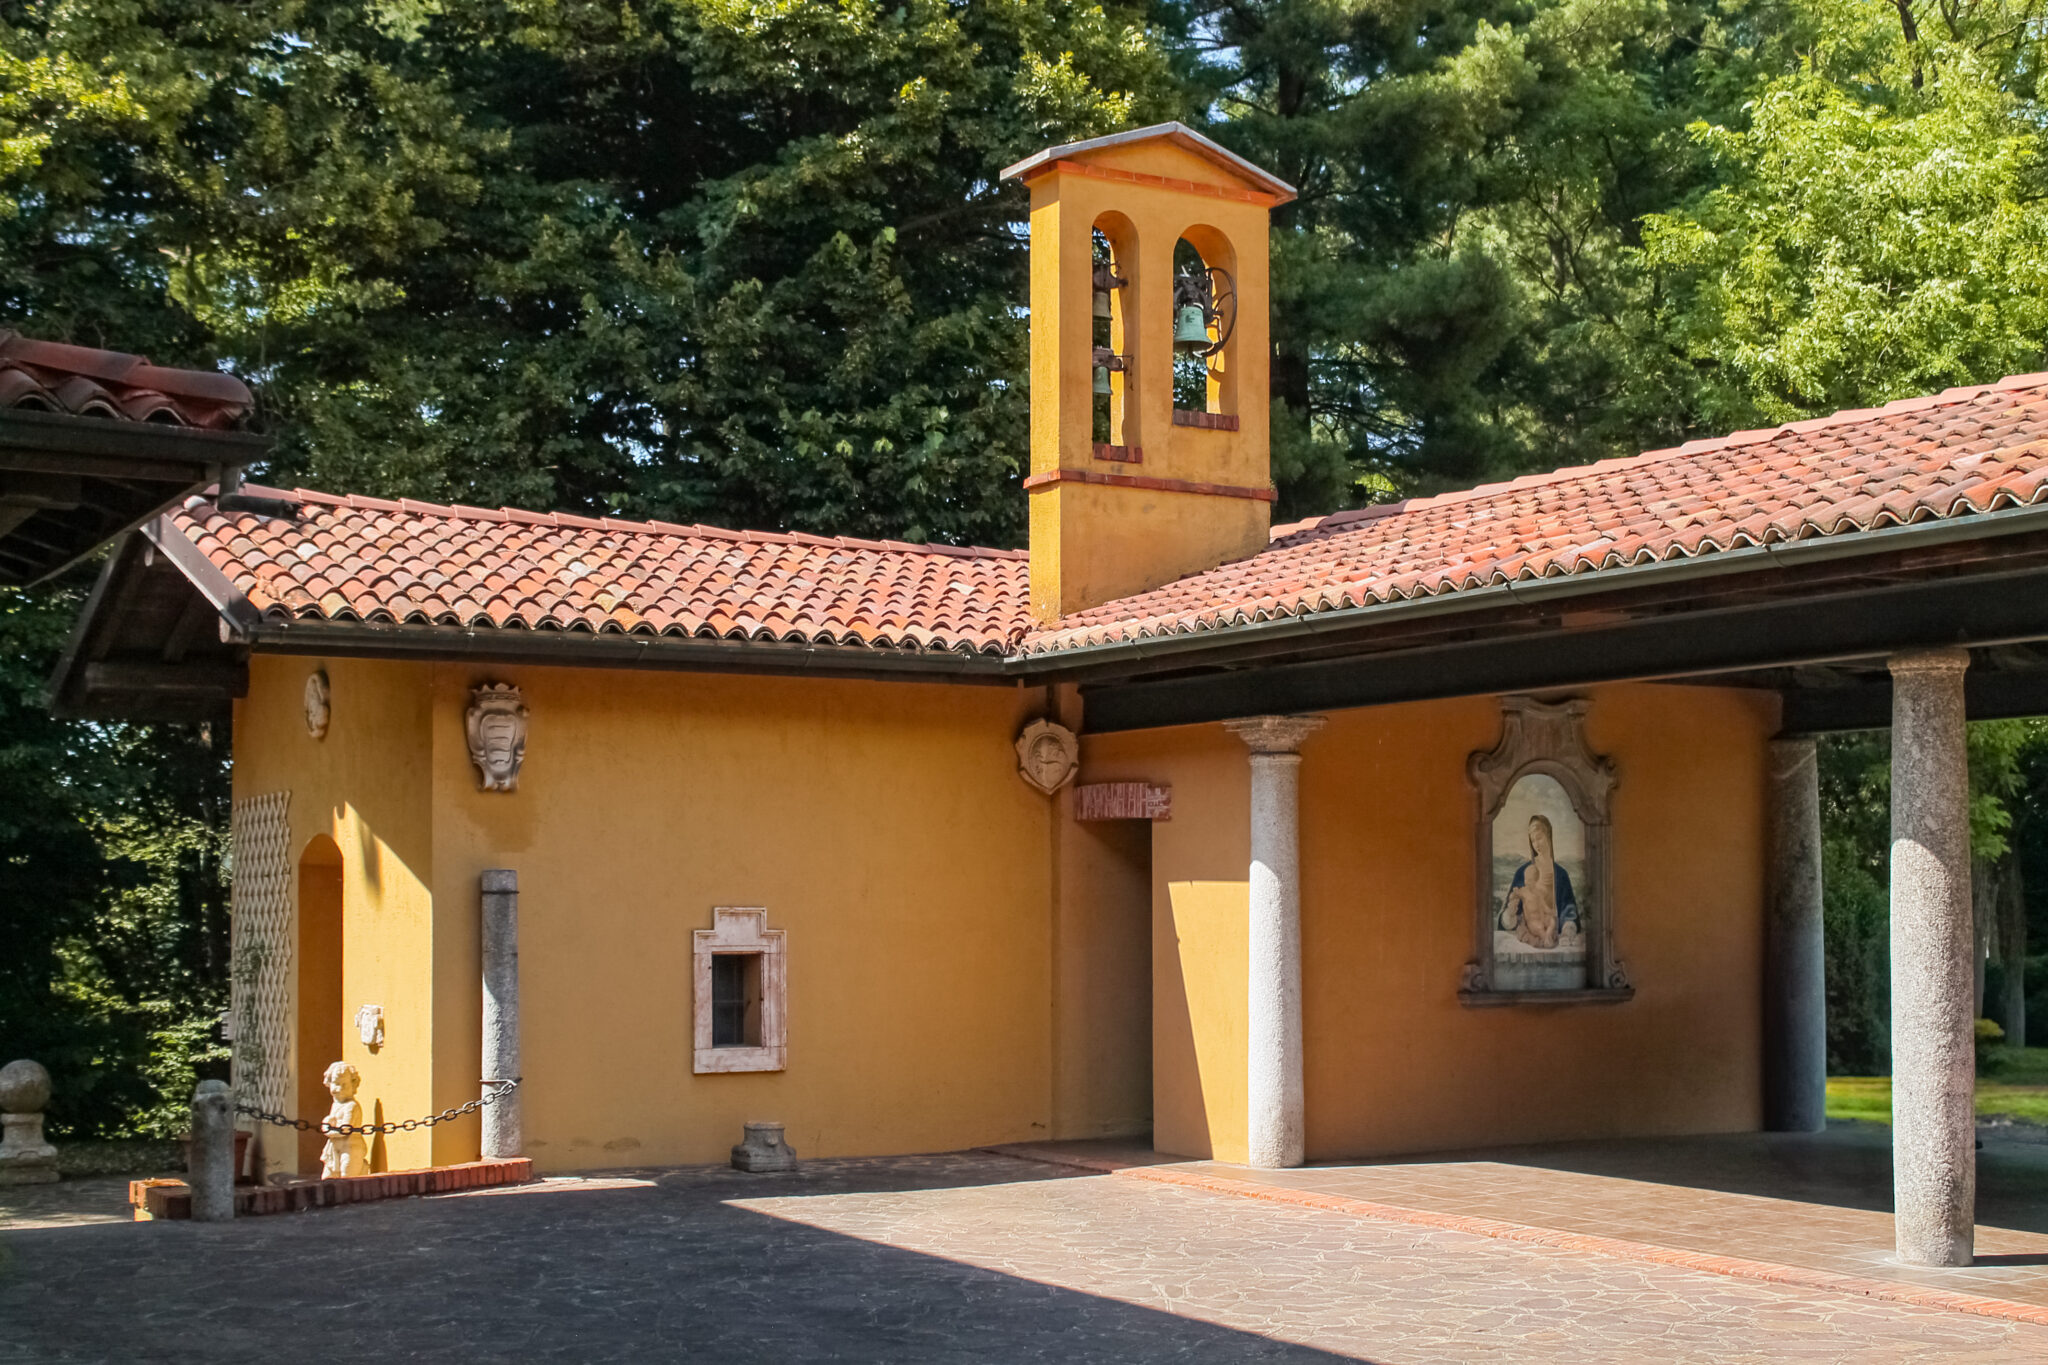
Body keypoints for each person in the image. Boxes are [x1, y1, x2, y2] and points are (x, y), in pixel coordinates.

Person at [1497, 814, 1581, 950]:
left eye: (1539, 838)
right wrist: (1510, 914)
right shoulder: (1523, 873)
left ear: (1548, 835)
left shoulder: (1561, 874)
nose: (1536, 844)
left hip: (1556, 938)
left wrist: (1567, 928)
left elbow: (1569, 911)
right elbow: (1509, 916)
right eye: (1533, 840)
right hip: (1530, 938)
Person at [319, 1061, 369, 1178]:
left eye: (344, 1084)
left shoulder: (351, 1106)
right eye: (336, 1083)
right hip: (334, 1147)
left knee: (348, 1177)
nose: (340, 1088)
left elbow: (344, 1129)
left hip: (350, 1147)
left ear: (353, 1085)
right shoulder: (336, 1105)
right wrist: (327, 1123)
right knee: (327, 1177)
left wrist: (327, 1128)